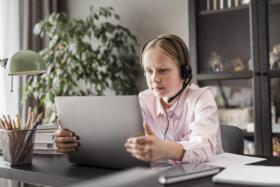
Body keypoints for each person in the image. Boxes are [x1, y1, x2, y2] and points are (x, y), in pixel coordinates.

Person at [54, 34, 223, 164]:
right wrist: (72, 140)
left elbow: (206, 146)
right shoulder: (144, 99)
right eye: (149, 71)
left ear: (184, 72)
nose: (154, 79)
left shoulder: (201, 97)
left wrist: (166, 149)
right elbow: (115, 135)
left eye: (163, 70)